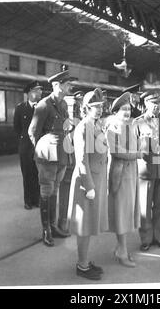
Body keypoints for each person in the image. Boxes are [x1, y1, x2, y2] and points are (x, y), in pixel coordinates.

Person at [28, 69, 74, 247]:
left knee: (55, 191)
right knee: (47, 191)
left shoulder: (62, 105)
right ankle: (46, 229)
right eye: (67, 84)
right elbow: (33, 132)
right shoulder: (44, 105)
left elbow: (66, 127)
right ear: (57, 85)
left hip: (62, 154)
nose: (70, 86)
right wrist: (41, 151)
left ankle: (53, 226)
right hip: (47, 157)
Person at [68, 88, 108, 280]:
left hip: (95, 180)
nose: (98, 110)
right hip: (87, 183)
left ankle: (84, 261)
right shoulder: (83, 127)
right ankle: (82, 265)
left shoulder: (96, 125)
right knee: (84, 226)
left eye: (100, 106)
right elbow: (81, 159)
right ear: (85, 108)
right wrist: (89, 186)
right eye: (94, 107)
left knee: (89, 223)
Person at [106, 92, 142, 268]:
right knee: (122, 212)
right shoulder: (112, 127)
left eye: (128, 109)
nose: (127, 112)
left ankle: (121, 248)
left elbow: (138, 144)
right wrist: (137, 154)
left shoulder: (130, 126)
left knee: (127, 211)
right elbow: (116, 151)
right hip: (120, 174)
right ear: (116, 111)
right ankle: (122, 251)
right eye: (123, 109)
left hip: (131, 172)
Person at [133, 91, 160, 252]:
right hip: (146, 168)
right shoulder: (138, 122)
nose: (156, 106)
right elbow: (133, 147)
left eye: (159, 103)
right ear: (146, 104)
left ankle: (159, 237)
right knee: (145, 205)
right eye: (153, 103)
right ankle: (146, 239)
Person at [57, 91, 84, 234]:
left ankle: (68, 223)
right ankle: (63, 223)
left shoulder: (77, 122)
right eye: (73, 107)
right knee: (65, 193)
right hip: (68, 163)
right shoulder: (67, 124)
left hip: (75, 163)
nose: (75, 110)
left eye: (77, 107)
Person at [13, 80, 42, 210]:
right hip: (25, 148)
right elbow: (17, 128)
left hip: (39, 147)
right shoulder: (20, 108)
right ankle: (28, 201)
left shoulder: (42, 107)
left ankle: (37, 200)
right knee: (27, 174)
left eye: (40, 90)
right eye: (37, 90)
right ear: (30, 92)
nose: (40, 92)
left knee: (38, 174)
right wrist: (24, 141)